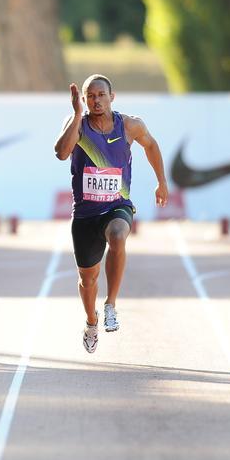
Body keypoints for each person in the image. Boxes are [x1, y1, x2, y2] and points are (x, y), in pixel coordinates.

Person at [54, 74, 168, 353]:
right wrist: (76, 115)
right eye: (90, 96)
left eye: (101, 95)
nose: (96, 101)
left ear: (111, 97)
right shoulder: (77, 126)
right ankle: (91, 320)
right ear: (83, 99)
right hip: (85, 214)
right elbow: (61, 152)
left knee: (118, 235)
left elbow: (151, 145)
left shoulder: (130, 125)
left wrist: (161, 182)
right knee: (87, 279)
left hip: (117, 205)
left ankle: (111, 304)